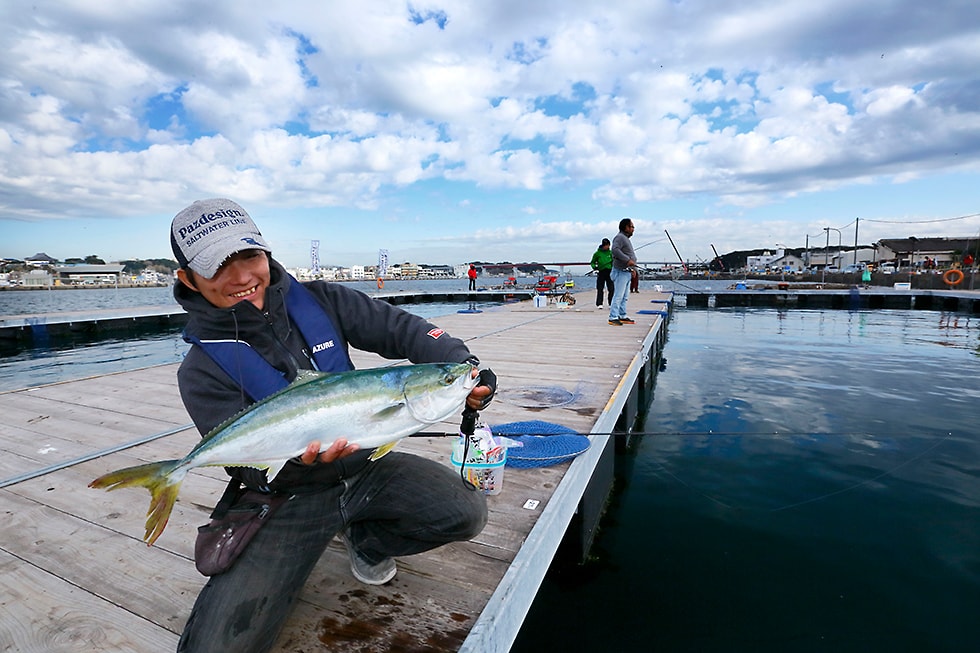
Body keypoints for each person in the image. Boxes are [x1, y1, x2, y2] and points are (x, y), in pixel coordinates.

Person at [169, 198, 496, 653]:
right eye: (218, 266)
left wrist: (463, 366)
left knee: (465, 512)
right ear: (187, 278)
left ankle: (365, 539)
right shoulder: (201, 368)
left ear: (266, 252)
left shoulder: (324, 299)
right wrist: (300, 466)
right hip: (286, 496)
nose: (242, 276)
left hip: (366, 468)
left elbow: (403, 330)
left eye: (249, 255)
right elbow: (246, 467)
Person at [608, 218, 637, 326]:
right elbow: (615, 250)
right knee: (618, 296)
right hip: (620, 272)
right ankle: (613, 317)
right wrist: (627, 260)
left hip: (626, 272)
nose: (633, 229)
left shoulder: (625, 238)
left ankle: (622, 315)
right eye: (631, 227)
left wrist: (633, 269)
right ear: (625, 227)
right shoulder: (619, 237)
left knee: (625, 297)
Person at [590, 238, 613, 307]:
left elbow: (614, 261)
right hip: (601, 271)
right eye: (606, 245)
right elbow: (592, 262)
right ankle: (599, 303)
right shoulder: (597, 253)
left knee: (611, 288)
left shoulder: (611, 253)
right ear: (603, 245)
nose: (608, 247)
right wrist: (595, 267)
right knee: (600, 288)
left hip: (609, 271)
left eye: (608, 245)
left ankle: (611, 303)